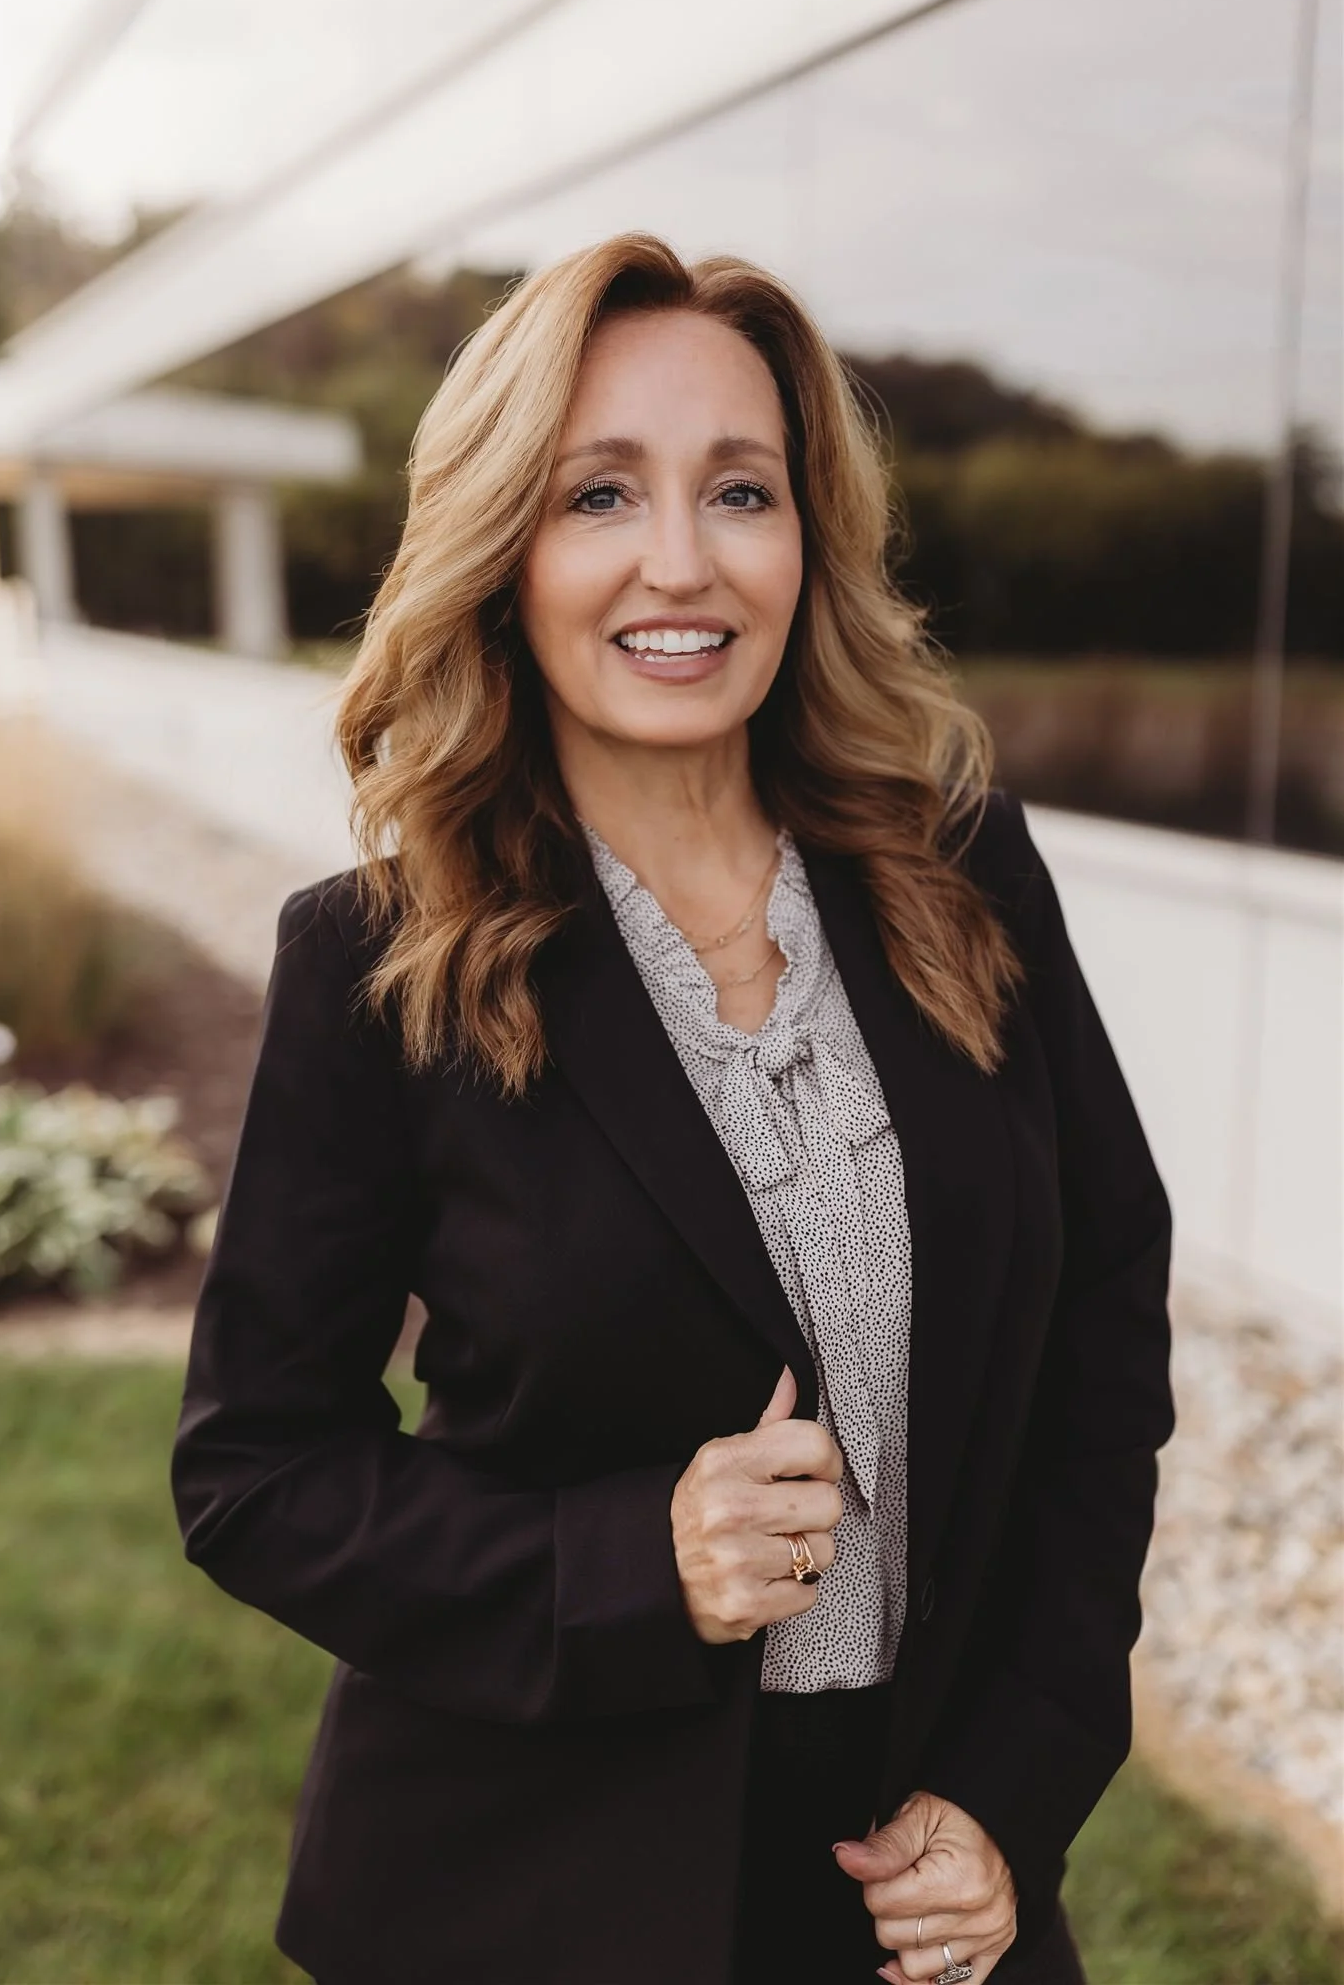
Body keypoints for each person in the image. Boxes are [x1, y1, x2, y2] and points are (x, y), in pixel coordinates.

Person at [170, 233, 1174, 1985]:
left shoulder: (967, 879)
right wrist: (634, 1561)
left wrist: (1016, 1787)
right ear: (507, 548)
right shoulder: (379, 965)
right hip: (532, 1895)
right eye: (601, 496)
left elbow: (1104, 1339)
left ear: (810, 537)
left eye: (741, 490)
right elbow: (256, 1473)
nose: (683, 563)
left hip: (924, 1881)